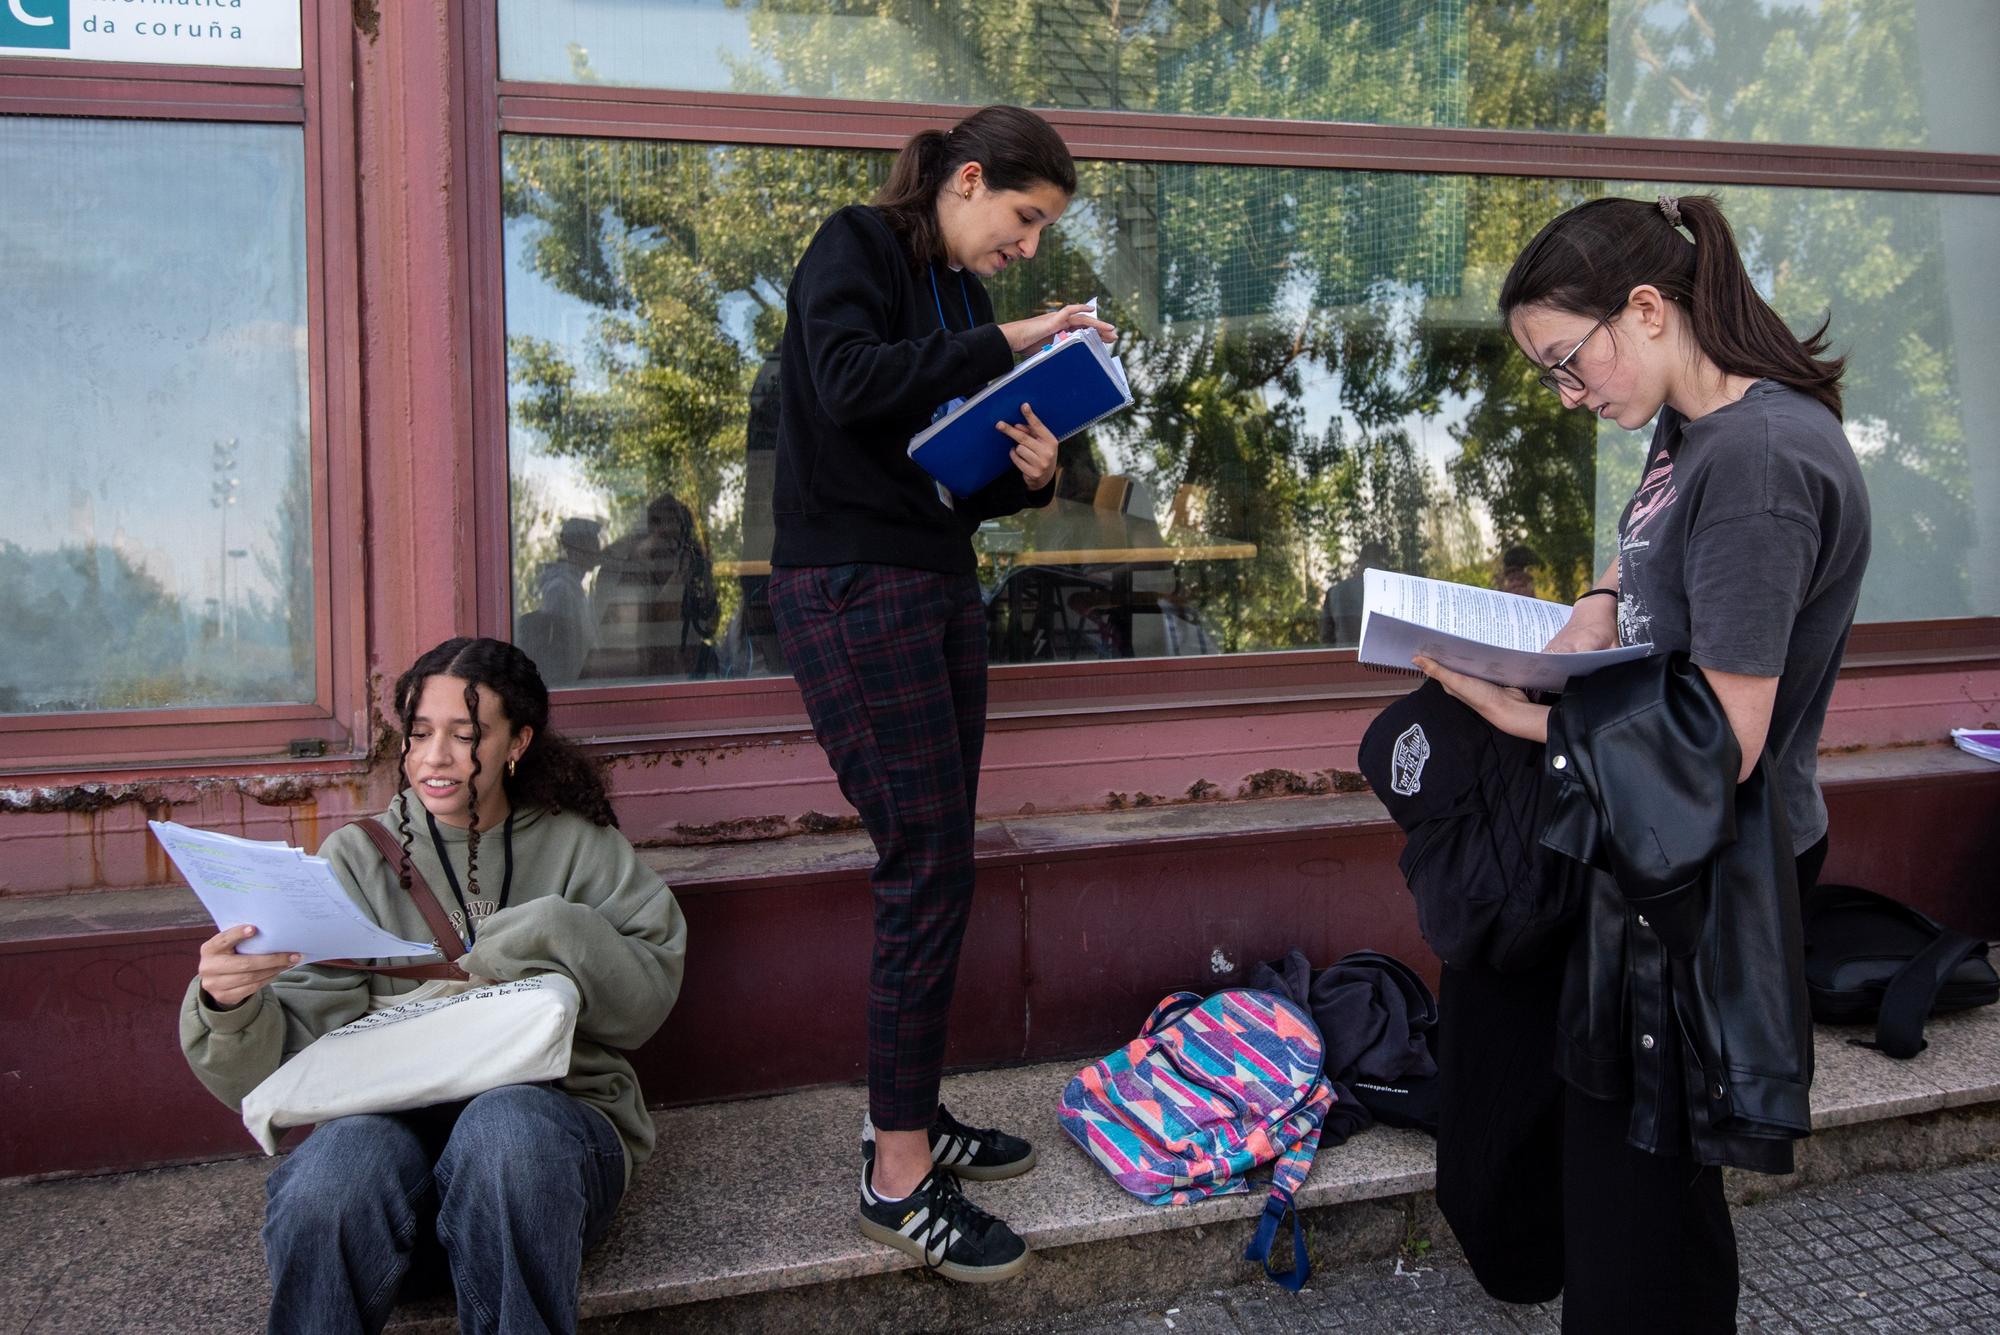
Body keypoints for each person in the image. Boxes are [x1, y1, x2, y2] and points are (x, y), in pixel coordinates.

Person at [1413, 193, 1869, 1331]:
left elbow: (1721, 741)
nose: (1570, 396)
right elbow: (1646, 556)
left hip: (1711, 873)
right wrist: (1593, 603)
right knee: (1609, 1182)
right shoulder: (1689, 424)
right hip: (1634, 849)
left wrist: (1511, 710)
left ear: (1648, 309)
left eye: (1569, 364)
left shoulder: (1759, 461)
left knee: (1636, 1219)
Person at [767, 103, 1116, 1282]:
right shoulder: (853, 247)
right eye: (1020, 221)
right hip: (850, 587)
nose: (1024, 250)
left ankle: (901, 1114)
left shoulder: (967, 304)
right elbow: (850, 382)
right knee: (924, 862)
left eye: (1036, 236)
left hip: (928, 576)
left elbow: (933, 471)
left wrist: (1025, 474)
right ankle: (896, 1177)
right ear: (966, 180)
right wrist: (1016, 336)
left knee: (939, 858)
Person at [180, 636, 689, 1334]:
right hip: (391, 1169)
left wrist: (553, 929)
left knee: (504, 1133)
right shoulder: (358, 858)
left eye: (465, 734)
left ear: (518, 741)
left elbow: (643, 1005)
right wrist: (228, 1004)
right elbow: (284, 1060)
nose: (433, 757)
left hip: (544, 1160)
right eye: (419, 734)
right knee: (335, 1173)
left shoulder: (582, 846)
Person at [589, 492, 720, 681]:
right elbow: (629, 640)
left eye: (676, 542)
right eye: (663, 539)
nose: (669, 552)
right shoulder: (624, 572)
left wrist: (699, 575)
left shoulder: (687, 574)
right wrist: (641, 561)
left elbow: (709, 623)